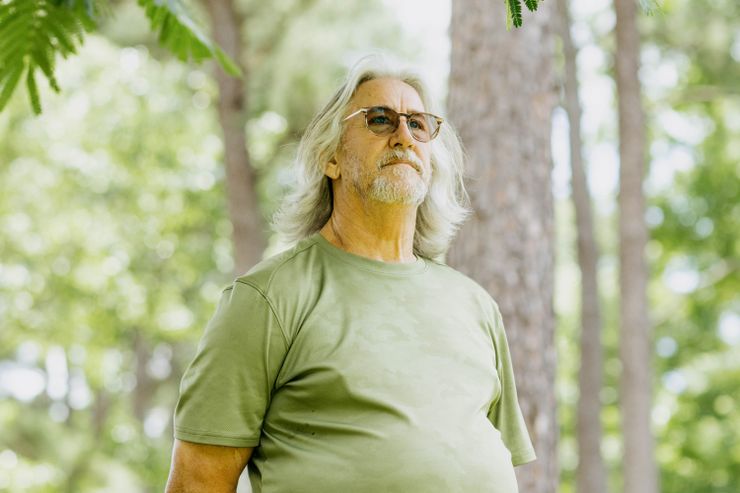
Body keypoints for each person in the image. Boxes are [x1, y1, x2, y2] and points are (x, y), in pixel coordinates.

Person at [165, 57, 536, 493]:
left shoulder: (475, 305)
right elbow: (196, 484)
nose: (404, 136)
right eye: (380, 120)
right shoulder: (267, 299)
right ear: (331, 159)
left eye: (418, 124)